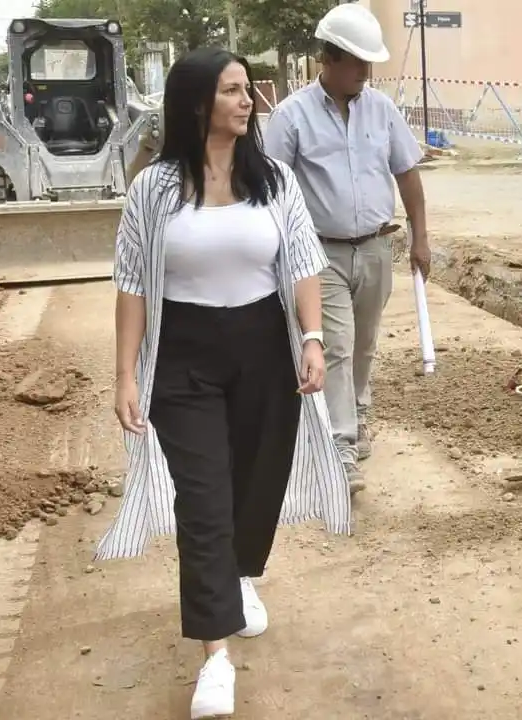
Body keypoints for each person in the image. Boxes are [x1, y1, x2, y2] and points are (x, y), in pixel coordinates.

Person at [95, 46, 351, 719]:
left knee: (257, 478)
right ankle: (215, 658)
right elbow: (130, 285)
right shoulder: (153, 189)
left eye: (247, 92)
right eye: (234, 91)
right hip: (183, 355)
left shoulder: (273, 181)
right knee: (203, 498)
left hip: (264, 349)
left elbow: (301, 262)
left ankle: (239, 578)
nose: (248, 102)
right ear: (198, 102)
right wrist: (125, 373)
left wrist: (314, 338)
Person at [263, 3, 430, 496]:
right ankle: (340, 448)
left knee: (364, 343)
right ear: (329, 59)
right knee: (334, 344)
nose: (365, 71)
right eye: (357, 62)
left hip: (377, 247)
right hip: (320, 253)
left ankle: (357, 410)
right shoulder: (291, 117)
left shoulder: (382, 110)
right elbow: (274, 190)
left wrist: (420, 236)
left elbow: (408, 174)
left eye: (369, 63)